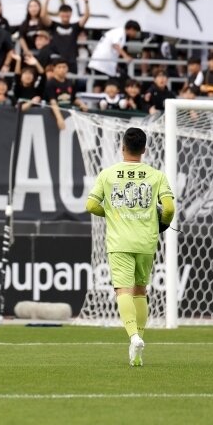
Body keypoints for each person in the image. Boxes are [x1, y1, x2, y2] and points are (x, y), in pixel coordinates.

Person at [85, 127, 175, 367]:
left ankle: (133, 337)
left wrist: (112, 214)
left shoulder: (108, 174)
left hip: (120, 242)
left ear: (122, 147)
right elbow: (169, 209)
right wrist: (163, 223)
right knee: (140, 291)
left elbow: (91, 205)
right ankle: (139, 346)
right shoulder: (156, 175)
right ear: (144, 149)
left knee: (122, 291)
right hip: (146, 241)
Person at [40, 0, 90, 73]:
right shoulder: (54, 25)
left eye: (67, 12)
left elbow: (86, 17)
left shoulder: (75, 27)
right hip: (56, 61)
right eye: (63, 12)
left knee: (70, 85)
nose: (65, 14)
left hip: (71, 62)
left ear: (71, 14)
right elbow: (43, 16)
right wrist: (47, 0)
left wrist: (86, 2)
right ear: (59, 14)